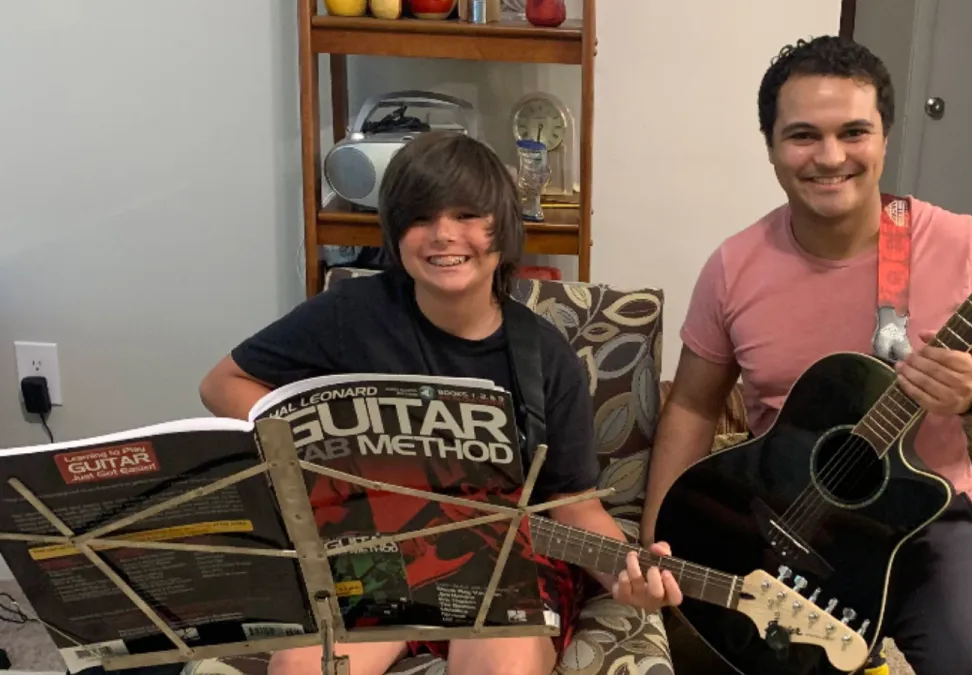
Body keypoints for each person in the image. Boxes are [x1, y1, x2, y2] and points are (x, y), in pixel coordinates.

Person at [640, 35, 972, 675]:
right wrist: (660, 541)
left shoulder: (963, 246)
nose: (830, 157)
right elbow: (693, 408)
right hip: (781, 521)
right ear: (772, 148)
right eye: (804, 135)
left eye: (854, 132)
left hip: (928, 522)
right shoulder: (733, 267)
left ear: (885, 138)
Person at [199, 131, 683, 675]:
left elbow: (573, 501)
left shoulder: (546, 356)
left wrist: (625, 571)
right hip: (378, 550)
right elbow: (224, 383)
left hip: (509, 557)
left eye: (469, 216)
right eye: (421, 217)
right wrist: (308, 457)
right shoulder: (349, 313)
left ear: (502, 227)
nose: (444, 235)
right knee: (304, 670)